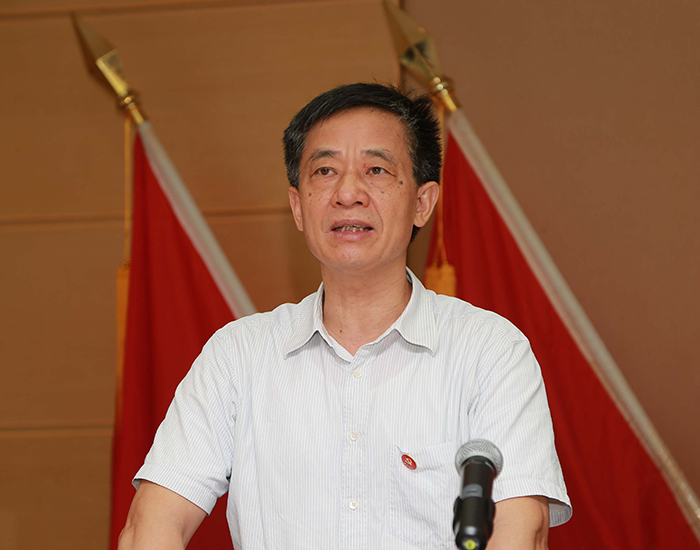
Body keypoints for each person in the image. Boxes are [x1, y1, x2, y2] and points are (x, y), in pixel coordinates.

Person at [118, 83, 571, 550]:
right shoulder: (237, 356)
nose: (348, 193)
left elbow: (521, 530)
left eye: (376, 169)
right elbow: (150, 526)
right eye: (325, 171)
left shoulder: (490, 351)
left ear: (422, 203)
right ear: (298, 206)